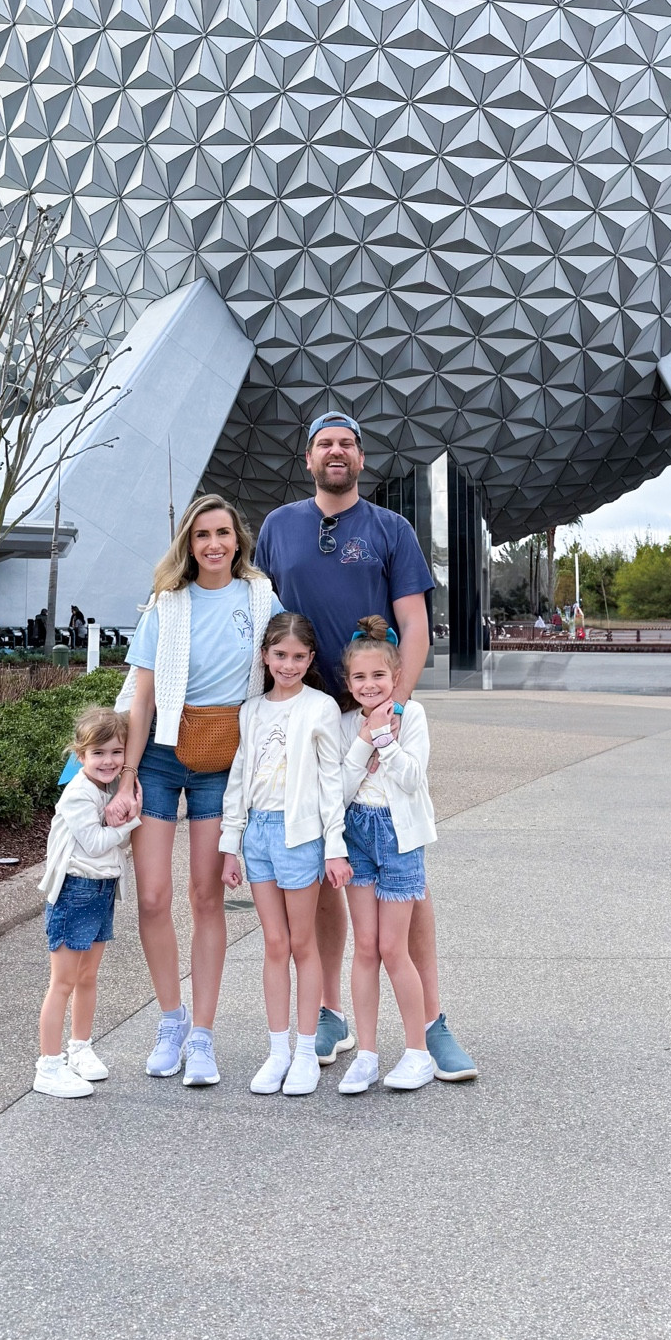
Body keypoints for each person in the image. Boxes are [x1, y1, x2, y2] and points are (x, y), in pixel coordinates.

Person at [254, 410, 477, 1081]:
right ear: (308, 457)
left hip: (376, 709)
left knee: (405, 863)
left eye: (347, 443)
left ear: (360, 457)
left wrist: (394, 708)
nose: (336, 452)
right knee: (328, 860)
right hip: (311, 718)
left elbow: (414, 626)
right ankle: (328, 1012)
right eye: (325, 443)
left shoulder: (390, 529)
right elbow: (262, 621)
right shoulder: (278, 528)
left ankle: (431, 1022)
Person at [105, 494, 281, 1088]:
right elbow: (144, 694)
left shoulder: (259, 597)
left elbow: (283, 665)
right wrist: (126, 777)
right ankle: (171, 1021)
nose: (213, 544)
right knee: (153, 898)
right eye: (202, 534)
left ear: (238, 540)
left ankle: (203, 1035)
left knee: (206, 898)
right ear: (189, 542)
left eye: (223, 533)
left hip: (222, 760)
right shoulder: (167, 604)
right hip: (158, 756)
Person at [220, 613, 352, 1096]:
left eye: (298, 657)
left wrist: (334, 848)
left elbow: (331, 783)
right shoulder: (251, 710)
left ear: (311, 659)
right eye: (280, 655)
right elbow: (239, 779)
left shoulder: (320, 709)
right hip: (258, 835)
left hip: (301, 837)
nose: (289, 665)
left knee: (302, 944)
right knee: (273, 944)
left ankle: (304, 1052)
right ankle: (277, 1051)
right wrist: (229, 846)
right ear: (265, 657)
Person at [337, 617, 438, 1094]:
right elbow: (338, 791)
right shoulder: (344, 725)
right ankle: (367, 1054)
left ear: (395, 678)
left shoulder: (411, 718)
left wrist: (384, 739)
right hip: (357, 836)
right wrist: (362, 741)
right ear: (348, 682)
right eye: (359, 677)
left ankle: (417, 1051)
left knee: (395, 948)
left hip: (399, 837)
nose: (369, 685)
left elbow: (412, 779)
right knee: (366, 948)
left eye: (378, 676)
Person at [34, 706, 142, 1098]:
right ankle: (48, 1065)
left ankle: (79, 1048)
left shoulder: (111, 789)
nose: (108, 761)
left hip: (100, 891)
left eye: (116, 752)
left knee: (88, 977)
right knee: (62, 982)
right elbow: (96, 843)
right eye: (98, 753)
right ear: (80, 756)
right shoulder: (78, 794)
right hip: (74, 892)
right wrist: (132, 820)